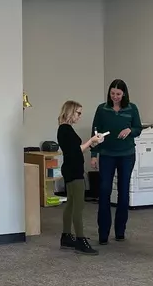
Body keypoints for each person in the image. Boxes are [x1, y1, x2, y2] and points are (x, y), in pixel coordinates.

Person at [90, 79, 143, 245]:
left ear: (124, 94)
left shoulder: (132, 108)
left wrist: (130, 130)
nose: (115, 97)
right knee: (104, 190)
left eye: (118, 94)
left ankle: (120, 231)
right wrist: (93, 154)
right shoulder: (102, 109)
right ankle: (103, 233)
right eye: (112, 93)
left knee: (123, 192)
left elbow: (138, 129)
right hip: (107, 154)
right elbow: (95, 132)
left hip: (127, 155)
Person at [57, 101, 107, 255]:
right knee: (78, 206)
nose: (80, 116)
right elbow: (75, 151)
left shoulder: (65, 129)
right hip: (73, 171)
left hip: (72, 169)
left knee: (71, 204)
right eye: (78, 113)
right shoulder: (65, 129)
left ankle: (66, 236)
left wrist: (92, 144)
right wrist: (91, 141)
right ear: (70, 112)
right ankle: (80, 239)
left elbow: (77, 150)